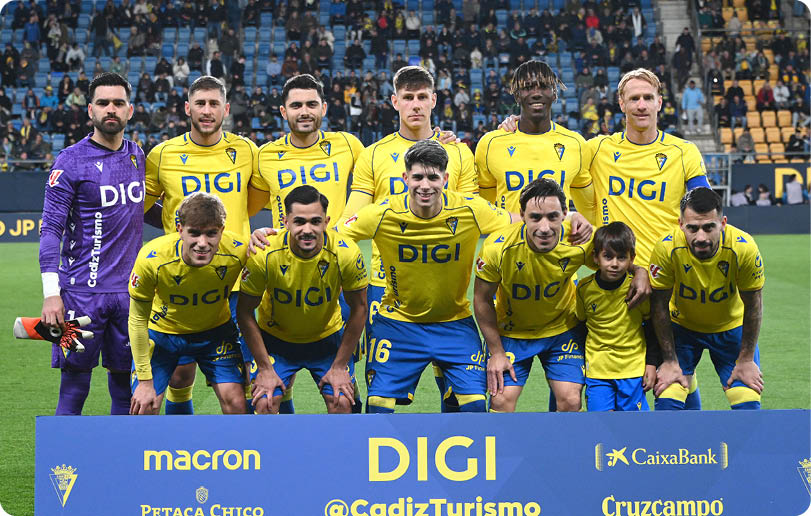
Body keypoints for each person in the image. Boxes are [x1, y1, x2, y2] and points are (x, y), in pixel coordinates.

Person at [339, 139, 517, 413]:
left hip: (455, 323)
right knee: (378, 407)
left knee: (474, 407)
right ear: (405, 178)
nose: (425, 185)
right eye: (418, 177)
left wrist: (567, 221)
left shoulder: (471, 209)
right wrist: (271, 237)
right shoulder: (382, 212)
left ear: (445, 179)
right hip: (398, 324)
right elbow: (335, 237)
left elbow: (519, 221)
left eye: (433, 177)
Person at [338, 66, 477, 412]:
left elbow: (474, 212)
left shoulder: (459, 154)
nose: (415, 105)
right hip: (387, 289)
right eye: (407, 98)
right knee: (382, 390)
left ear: (434, 100)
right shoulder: (373, 154)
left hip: (447, 288)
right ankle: (376, 459)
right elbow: (350, 219)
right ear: (394, 101)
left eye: (421, 97)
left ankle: (457, 460)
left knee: (455, 386)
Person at [143, 75, 265, 414]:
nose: (207, 110)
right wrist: (172, 228)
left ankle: (245, 456)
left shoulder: (246, 151)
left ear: (226, 109)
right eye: (200, 103)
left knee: (242, 383)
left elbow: (253, 203)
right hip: (179, 275)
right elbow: (140, 205)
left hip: (236, 278)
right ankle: (181, 448)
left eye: (214, 104)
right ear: (187, 108)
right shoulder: (162, 154)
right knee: (181, 374)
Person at [248, 73, 365, 413]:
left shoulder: (348, 144)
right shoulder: (265, 155)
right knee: (270, 393)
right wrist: (251, 233)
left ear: (324, 108)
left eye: (311, 104)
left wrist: (438, 138)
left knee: (341, 392)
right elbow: (247, 204)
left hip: (332, 267)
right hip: (284, 265)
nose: (304, 111)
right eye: (296, 105)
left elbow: (384, 170)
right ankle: (285, 442)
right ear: (283, 111)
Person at [39, 72, 144, 415]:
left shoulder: (137, 155)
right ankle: (62, 468)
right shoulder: (70, 161)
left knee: (123, 385)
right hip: (80, 296)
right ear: (90, 110)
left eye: (118, 103)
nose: (110, 109)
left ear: (130, 110)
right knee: (74, 386)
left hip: (130, 295)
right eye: (103, 103)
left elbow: (145, 209)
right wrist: (51, 293)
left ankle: (119, 464)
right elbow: (51, 229)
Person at [238, 186, 368, 414]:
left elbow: (359, 308)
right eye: (299, 222)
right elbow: (245, 312)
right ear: (285, 221)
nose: (307, 230)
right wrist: (264, 368)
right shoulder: (264, 253)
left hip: (327, 340)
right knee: (264, 402)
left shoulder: (345, 253)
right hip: (276, 341)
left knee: (342, 402)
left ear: (326, 221)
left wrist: (339, 366)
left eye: (315, 221)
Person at [129, 192, 248, 415]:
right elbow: (136, 320)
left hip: (215, 334)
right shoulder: (152, 259)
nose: (202, 243)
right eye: (194, 233)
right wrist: (145, 381)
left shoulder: (240, 251)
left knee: (237, 403)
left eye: (211, 234)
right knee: (144, 405)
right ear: (179, 228)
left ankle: (240, 450)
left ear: (222, 230)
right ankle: (159, 450)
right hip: (162, 335)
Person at [651, 188, 765, 410]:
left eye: (708, 227)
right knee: (667, 400)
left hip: (730, 329)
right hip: (682, 329)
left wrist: (746, 359)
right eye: (692, 228)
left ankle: (689, 378)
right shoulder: (666, 247)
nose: (700, 237)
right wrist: (670, 360)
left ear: (722, 223)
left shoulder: (744, 248)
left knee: (747, 404)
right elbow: (659, 306)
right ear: (681, 224)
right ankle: (686, 377)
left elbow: (754, 305)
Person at [575, 222, 656, 411]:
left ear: (631, 258)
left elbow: (651, 327)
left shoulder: (638, 289)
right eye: (607, 256)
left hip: (633, 369)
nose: (614, 263)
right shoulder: (584, 289)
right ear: (595, 257)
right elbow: (581, 324)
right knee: (601, 428)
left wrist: (651, 363)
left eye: (621, 257)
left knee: (634, 430)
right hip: (597, 371)